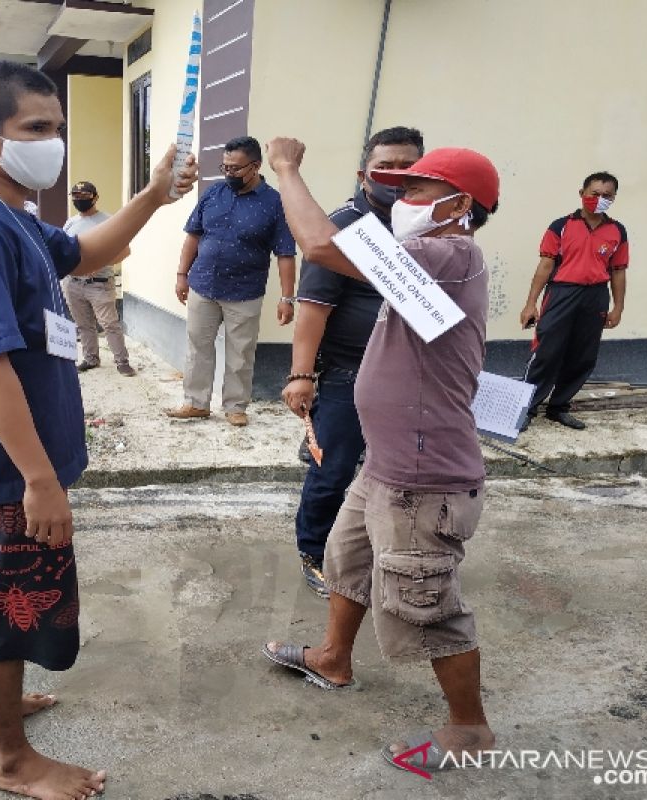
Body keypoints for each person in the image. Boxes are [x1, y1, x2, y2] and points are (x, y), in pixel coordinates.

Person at [0, 60, 196, 798]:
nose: (53, 145)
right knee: (6, 615)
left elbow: (92, 252)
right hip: (8, 469)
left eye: (58, 130)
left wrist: (155, 189)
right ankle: (10, 761)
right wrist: (40, 481)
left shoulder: (13, 217)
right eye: (36, 129)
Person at [262, 138, 500, 774]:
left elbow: (317, 246)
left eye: (418, 189)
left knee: (425, 603)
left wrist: (285, 168)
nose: (403, 197)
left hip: (422, 478)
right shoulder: (430, 257)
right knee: (348, 560)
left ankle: (469, 730)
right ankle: (332, 659)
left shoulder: (443, 253)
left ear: (459, 205)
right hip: (387, 464)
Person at [283, 126, 425, 599]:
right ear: (363, 173)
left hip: (403, 377)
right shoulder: (345, 224)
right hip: (349, 375)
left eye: (410, 165)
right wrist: (302, 377)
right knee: (334, 469)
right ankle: (314, 551)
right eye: (388, 166)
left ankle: (375, 547)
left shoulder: (421, 221)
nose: (399, 175)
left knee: (391, 469)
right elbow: (313, 306)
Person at [166, 136, 297, 427]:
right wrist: (181, 275)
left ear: (255, 166)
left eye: (236, 169)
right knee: (197, 347)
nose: (229, 174)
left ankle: (235, 407)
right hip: (203, 285)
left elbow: (286, 253)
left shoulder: (274, 203)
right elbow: (193, 236)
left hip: (245, 291)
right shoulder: (214, 193)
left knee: (240, 353)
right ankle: (195, 402)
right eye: (225, 167)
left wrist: (287, 297)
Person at [518, 172, 628, 431]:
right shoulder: (561, 226)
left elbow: (619, 271)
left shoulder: (617, 231)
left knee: (583, 355)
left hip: (596, 296)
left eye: (607, 196)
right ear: (582, 194)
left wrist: (618, 307)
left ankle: (559, 407)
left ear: (613, 199)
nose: (599, 200)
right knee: (546, 352)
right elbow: (545, 265)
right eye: (594, 194)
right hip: (561, 293)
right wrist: (531, 303)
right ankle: (525, 409)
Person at [62, 180, 135, 376]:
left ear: (95, 198)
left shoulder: (109, 221)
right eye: (76, 197)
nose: (79, 200)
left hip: (99, 284)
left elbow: (124, 251)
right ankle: (90, 358)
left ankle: (122, 361)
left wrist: (99, 263)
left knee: (109, 324)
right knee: (83, 324)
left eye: (84, 197)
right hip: (73, 283)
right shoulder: (71, 222)